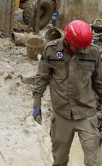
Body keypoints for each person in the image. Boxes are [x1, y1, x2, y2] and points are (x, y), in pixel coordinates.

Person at [32, 20, 102, 166]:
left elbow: (99, 83)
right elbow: (41, 78)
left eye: (85, 47)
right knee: (59, 160)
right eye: (79, 47)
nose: (82, 50)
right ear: (68, 41)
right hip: (61, 114)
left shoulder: (93, 52)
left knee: (92, 162)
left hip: (86, 114)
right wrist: (36, 103)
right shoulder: (51, 50)